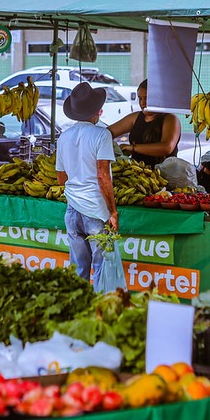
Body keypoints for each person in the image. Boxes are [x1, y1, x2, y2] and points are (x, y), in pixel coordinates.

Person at [55, 82, 118, 288]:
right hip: (95, 211)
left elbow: (61, 178)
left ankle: (78, 307)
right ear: (96, 112)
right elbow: (102, 176)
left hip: (72, 211)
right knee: (101, 269)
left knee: (78, 269)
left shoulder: (64, 137)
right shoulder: (101, 135)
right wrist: (113, 211)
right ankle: (97, 312)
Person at [107, 79, 181, 166]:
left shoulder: (170, 119)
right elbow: (106, 133)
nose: (142, 103)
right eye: (140, 98)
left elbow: (166, 147)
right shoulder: (135, 118)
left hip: (162, 175)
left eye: (146, 98)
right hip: (138, 174)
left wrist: (133, 148)